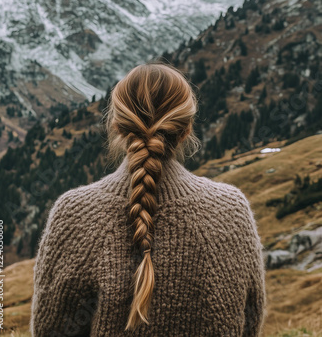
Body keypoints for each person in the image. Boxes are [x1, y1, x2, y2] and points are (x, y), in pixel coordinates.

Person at [30, 62, 267, 336]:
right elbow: (250, 322)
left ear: (117, 126)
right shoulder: (231, 209)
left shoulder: (75, 211)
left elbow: (51, 329)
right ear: (186, 129)